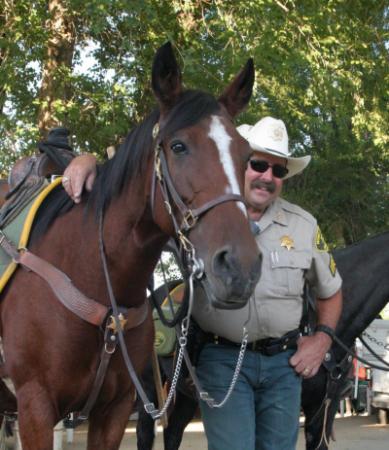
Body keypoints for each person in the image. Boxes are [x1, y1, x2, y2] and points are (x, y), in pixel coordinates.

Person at [62, 116, 342, 450]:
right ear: (239, 162)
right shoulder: (197, 214)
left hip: (284, 365)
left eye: (278, 170)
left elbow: (331, 291)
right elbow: (135, 193)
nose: (267, 176)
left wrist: (321, 340)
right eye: (258, 164)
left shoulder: (303, 225)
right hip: (222, 359)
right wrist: (89, 161)